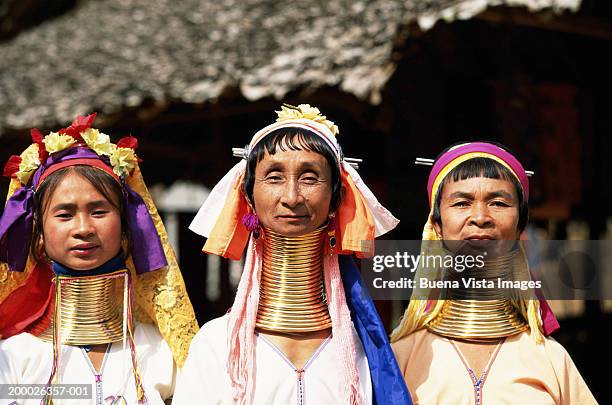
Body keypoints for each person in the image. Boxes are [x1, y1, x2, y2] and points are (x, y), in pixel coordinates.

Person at [173, 104, 411, 405]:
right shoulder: (216, 344)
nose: (291, 197)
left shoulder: (362, 347)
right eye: (274, 177)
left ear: (336, 199)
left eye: (310, 178)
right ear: (248, 197)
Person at [0, 114, 198, 404]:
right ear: (39, 234)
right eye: (65, 214)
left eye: (99, 211)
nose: (83, 229)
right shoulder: (14, 357)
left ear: (126, 228)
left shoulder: (161, 352)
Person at [391, 142, 597, 404]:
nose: (480, 217)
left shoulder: (551, 360)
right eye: (462, 203)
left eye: (498, 203)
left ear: (520, 225)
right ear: (437, 225)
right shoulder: (401, 359)